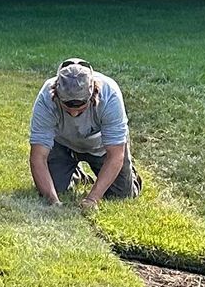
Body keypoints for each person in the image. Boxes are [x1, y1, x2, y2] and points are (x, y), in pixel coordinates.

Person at [29, 57, 139, 204]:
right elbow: (38, 157)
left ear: (93, 94)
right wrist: (53, 200)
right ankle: (74, 172)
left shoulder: (110, 95)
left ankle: (130, 175)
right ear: (56, 93)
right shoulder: (46, 98)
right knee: (51, 189)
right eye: (67, 109)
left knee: (121, 196)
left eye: (80, 110)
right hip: (63, 144)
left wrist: (92, 199)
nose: (74, 114)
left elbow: (115, 155)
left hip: (101, 148)